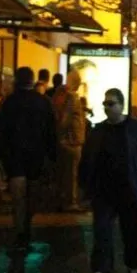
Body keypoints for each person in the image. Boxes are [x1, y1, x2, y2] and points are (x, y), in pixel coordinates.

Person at [80, 88, 137, 273]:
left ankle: (133, 265)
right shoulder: (98, 131)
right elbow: (86, 160)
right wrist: (84, 186)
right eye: (105, 103)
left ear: (121, 105)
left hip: (130, 189)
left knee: (132, 231)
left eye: (111, 104)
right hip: (103, 191)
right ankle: (103, 269)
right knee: (102, 231)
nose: (106, 107)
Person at [0, 66, 57, 250]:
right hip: (36, 156)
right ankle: (27, 225)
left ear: (16, 81)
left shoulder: (7, 103)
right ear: (32, 80)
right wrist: (52, 157)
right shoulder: (44, 102)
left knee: (18, 195)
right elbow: (51, 131)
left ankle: (21, 231)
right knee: (32, 193)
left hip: (14, 156)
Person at [53, 70, 86, 211]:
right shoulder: (72, 97)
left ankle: (63, 200)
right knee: (72, 174)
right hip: (72, 141)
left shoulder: (64, 95)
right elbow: (66, 119)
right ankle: (71, 202)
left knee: (66, 173)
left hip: (67, 140)